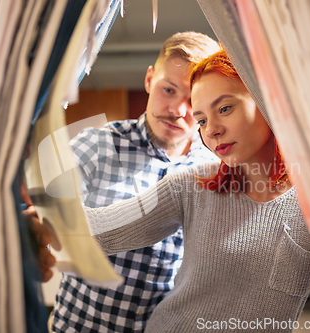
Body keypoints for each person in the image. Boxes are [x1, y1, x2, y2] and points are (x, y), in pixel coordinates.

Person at [83, 49, 310, 332]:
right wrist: (36, 216)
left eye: (225, 108)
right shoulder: (190, 186)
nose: (211, 131)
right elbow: (101, 231)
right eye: (202, 120)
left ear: (268, 101)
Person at [51, 32, 221, 332]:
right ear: (149, 80)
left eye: (193, 101)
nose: (178, 111)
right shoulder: (95, 145)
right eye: (168, 89)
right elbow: (50, 217)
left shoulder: (213, 171)